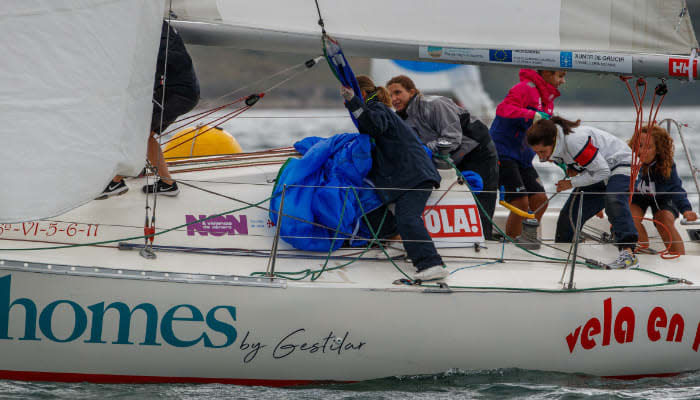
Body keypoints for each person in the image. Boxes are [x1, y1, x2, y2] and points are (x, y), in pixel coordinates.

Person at [342, 75, 447, 281]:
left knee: (408, 217)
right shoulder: (377, 110)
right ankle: (399, 244)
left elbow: (373, 126)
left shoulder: (377, 109)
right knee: (379, 206)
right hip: (405, 176)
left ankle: (431, 263)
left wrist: (352, 101)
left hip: (416, 176)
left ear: (362, 93)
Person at [386, 75, 499, 240]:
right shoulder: (401, 119)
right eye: (390, 96)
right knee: (456, 199)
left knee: (480, 201)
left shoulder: (435, 104)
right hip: (451, 157)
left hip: (478, 151)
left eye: (397, 92)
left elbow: (452, 138)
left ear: (411, 92)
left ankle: (484, 240)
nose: (394, 98)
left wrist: (422, 150)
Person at [97, 21, 200, 199]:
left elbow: (150, 68)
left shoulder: (150, 33)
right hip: (184, 92)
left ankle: (117, 180)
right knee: (145, 134)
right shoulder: (158, 26)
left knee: (139, 133)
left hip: (175, 93)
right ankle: (160, 181)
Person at [527, 116, 639, 269]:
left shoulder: (574, 141)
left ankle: (628, 254)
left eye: (542, 152)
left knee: (613, 200)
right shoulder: (558, 143)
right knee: (568, 216)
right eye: (537, 153)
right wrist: (573, 169)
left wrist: (570, 183)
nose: (541, 158)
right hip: (599, 171)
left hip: (621, 165)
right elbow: (589, 166)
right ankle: (563, 258)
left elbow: (603, 172)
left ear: (553, 140)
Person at [489, 69, 566, 238]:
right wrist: (532, 115)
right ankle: (513, 245)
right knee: (520, 202)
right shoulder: (524, 88)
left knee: (540, 200)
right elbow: (503, 110)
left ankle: (526, 239)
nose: (563, 81)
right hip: (503, 153)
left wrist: (560, 159)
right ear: (546, 73)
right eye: (560, 76)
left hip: (523, 158)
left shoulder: (548, 101)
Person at [629, 125, 698, 255]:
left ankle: (679, 260)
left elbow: (676, 188)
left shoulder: (666, 165)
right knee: (629, 217)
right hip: (638, 199)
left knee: (663, 220)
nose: (642, 151)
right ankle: (642, 253)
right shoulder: (628, 161)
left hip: (664, 200)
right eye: (640, 145)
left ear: (658, 150)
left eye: (648, 147)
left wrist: (686, 209)